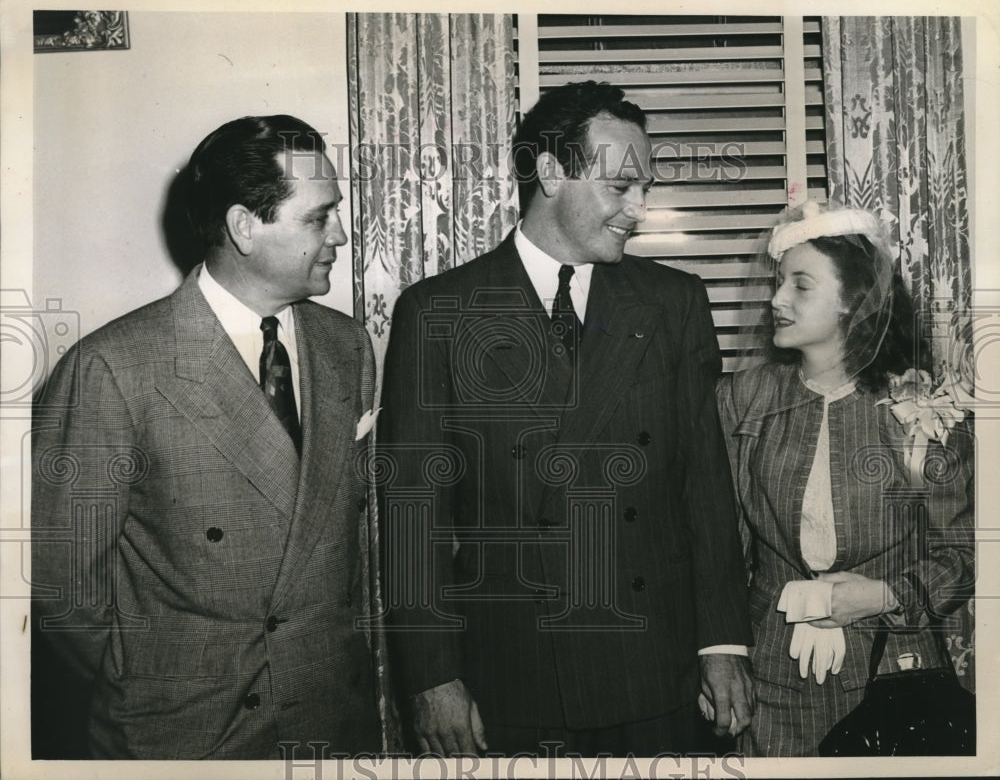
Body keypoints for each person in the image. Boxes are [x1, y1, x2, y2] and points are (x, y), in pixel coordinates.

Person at [377, 81, 753, 757]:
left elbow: (705, 487)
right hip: (510, 676)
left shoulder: (673, 302)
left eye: (645, 189)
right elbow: (414, 516)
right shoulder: (437, 311)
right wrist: (432, 679)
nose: (639, 210)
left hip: (658, 669)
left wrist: (721, 643)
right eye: (621, 187)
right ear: (552, 173)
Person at [31, 115, 381, 759]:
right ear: (245, 226)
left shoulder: (346, 346)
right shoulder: (113, 367)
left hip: (333, 721)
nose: (341, 233)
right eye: (318, 217)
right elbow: (65, 594)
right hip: (188, 734)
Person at [715, 200, 975, 756]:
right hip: (772, 683)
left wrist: (882, 595)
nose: (776, 299)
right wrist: (720, 658)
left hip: (893, 678)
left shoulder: (922, 405)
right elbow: (720, 547)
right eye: (779, 282)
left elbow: (965, 556)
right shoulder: (743, 399)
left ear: (853, 302)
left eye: (800, 286)